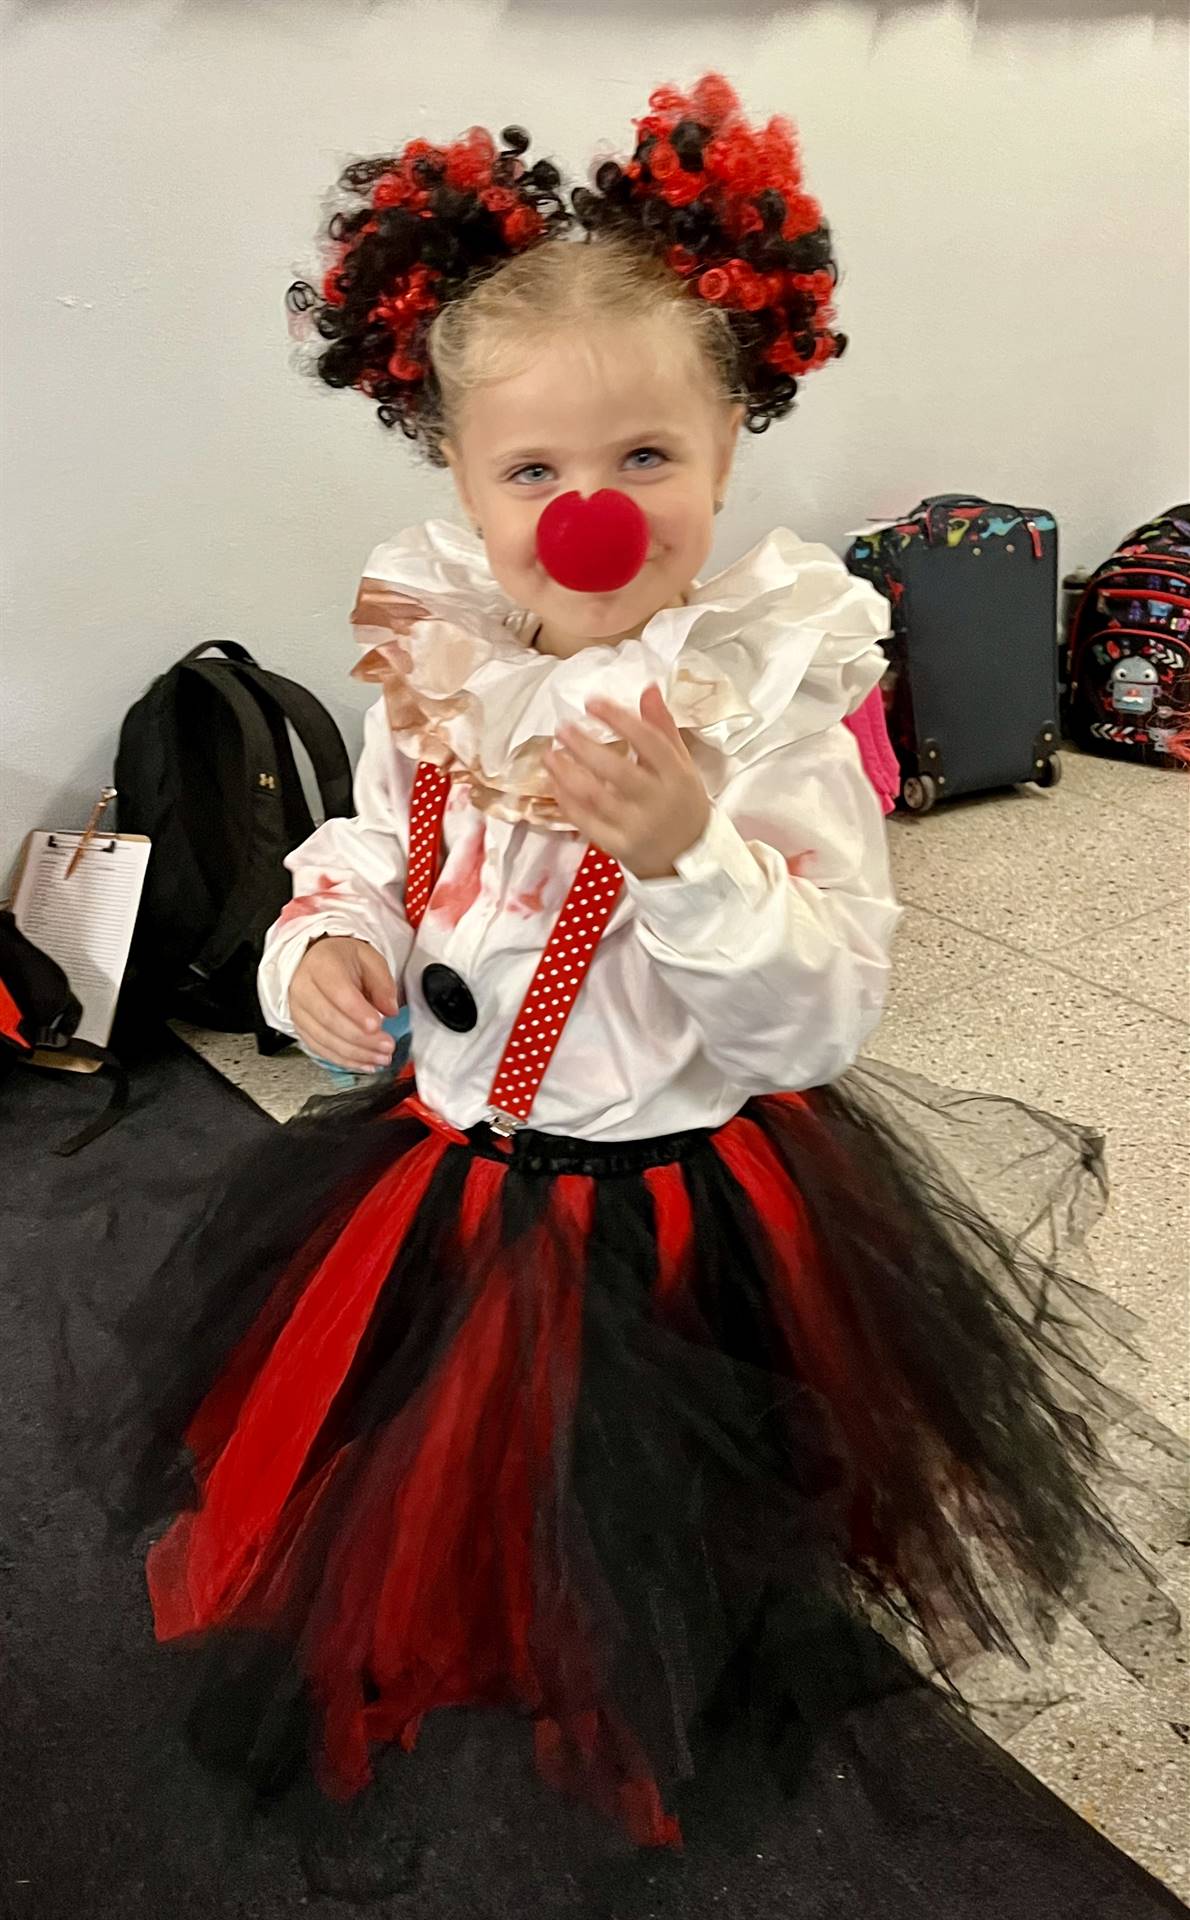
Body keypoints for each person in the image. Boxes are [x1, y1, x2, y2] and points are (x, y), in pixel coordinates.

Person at [108, 75, 1173, 1906]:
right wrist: (322, 948)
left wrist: (690, 852)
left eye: (645, 463)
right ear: (450, 472)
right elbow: (372, 847)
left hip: (673, 1213)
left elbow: (816, 1021)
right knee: (427, 1457)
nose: (590, 515)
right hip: (438, 1173)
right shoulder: (433, 660)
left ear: (732, 450)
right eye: (532, 470)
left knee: (656, 1513)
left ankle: (631, 1660)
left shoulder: (767, 704)